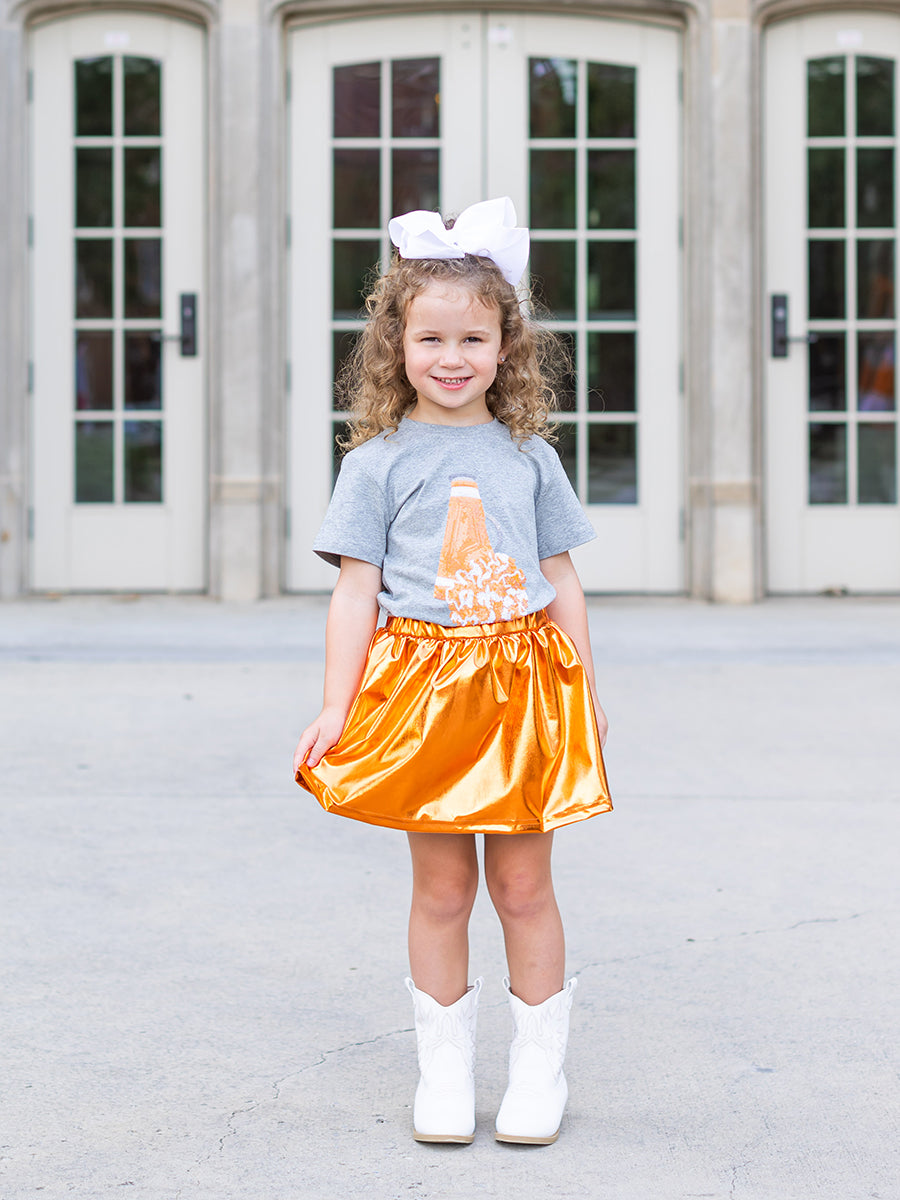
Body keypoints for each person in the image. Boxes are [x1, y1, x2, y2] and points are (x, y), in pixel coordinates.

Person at [293, 198, 612, 1146]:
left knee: (524, 888)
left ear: (505, 344)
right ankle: (443, 1074)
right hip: (424, 694)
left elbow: (562, 583)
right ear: (396, 345)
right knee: (441, 891)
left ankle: (536, 1072)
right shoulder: (376, 464)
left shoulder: (529, 457)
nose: (450, 357)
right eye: (429, 337)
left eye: (473, 337)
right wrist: (333, 707)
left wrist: (582, 700)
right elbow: (356, 593)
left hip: (522, 695)